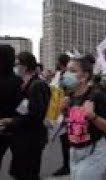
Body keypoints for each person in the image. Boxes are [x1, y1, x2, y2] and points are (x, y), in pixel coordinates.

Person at [61, 55, 106, 180]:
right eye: (67, 70)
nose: (67, 74)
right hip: (74, 151)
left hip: (93, 151)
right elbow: (70, 125)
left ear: (85, 76)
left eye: (73, 71)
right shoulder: (69, 96)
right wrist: (62, 111)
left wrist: (93, 116)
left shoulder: (96, 96)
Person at [3, 52, 51, 180]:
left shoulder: (37, 85)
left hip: (32, 138)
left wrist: (11, 121)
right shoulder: (27, 84)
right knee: (20, 172)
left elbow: (36, 115)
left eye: (17, 64)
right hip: (24, 137)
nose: (15, 67)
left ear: (25, 67)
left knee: (28, 173)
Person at [0, 45, 23, 170]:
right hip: (16, 127)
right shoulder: (19, 81)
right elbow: (23, 106)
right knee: (20, 166)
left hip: (2, 126)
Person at [52, 54, 72, 176]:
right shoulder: (62, 75)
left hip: (66, 112)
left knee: (66, 140)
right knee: (66, 140)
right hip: (64, 111)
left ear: (60, 63)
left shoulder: (65, 76)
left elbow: (63, 92)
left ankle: (67, 166)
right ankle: (67, 165)